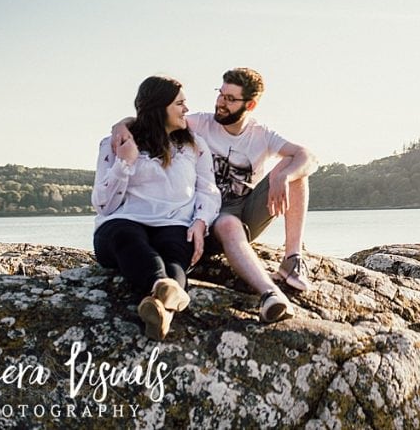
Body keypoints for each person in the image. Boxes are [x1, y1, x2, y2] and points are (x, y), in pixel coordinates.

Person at [92, 76, 287, 339]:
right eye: (180, 104)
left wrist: (201, 222)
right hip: (122, 223)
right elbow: (103, 204)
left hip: (175, 223)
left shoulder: (193, 145)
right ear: (159, 107)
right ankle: (162, 286)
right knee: (129, 238)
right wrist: (124, 163)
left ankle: (161, 309)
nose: (186, 109)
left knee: (175, 255)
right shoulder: (115, 144)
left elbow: (208, 191)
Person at [112, 67, 316, 300]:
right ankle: (269, 293)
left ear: (250, 105)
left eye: (230, 99)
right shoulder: (200, 123)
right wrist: (121, 125)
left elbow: (308, 157)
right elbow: (154, 118)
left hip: (245, 211)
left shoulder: (261, 134)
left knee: (295, 168)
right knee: (228, 222)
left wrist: (284, 176)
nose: (220, 103)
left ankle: (292, 259)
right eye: (220, 94)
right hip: (208, 214)